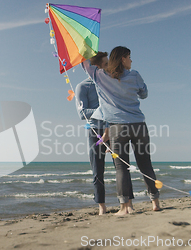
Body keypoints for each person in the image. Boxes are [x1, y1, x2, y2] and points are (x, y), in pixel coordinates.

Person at [82, 46, 160, 215]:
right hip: (139, 125)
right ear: (123, 59)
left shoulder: (100, 76)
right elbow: (144, 94)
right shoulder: (135, 75)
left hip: (118, 128)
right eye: (129, 57)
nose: (131, 60)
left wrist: (84, 46)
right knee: (145, 164)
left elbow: (86, 64)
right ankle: (155, 202)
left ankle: (125, 207)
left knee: (121, 168)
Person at [74, 52, 110, 215]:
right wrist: (104, 110)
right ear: (84, 66)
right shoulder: (83, 86)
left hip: (114, 128)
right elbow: (82, 114)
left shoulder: (108, 83)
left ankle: (126, 202)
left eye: (96, 63)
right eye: (89, 64)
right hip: (95, 131)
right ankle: (102, 206)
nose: (94, 66)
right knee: (98, 170)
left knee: (122, 166)